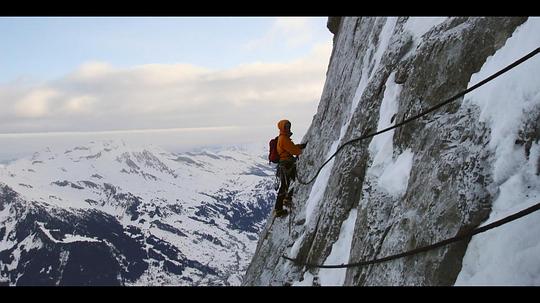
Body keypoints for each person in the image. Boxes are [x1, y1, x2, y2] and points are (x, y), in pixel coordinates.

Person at [274, 119, 307, 218]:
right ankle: (279, 209)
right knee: (286, 185)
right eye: (286, 127)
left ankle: (286, 199)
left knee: (287, 184)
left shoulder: (283, 138)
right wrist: (300, 150)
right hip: (286, 164)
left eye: (289, 126)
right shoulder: (284, 138)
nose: (288, 128)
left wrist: (299, 146)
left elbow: (290, 148)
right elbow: (294, 151)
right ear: (282, 128)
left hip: (285, 164)